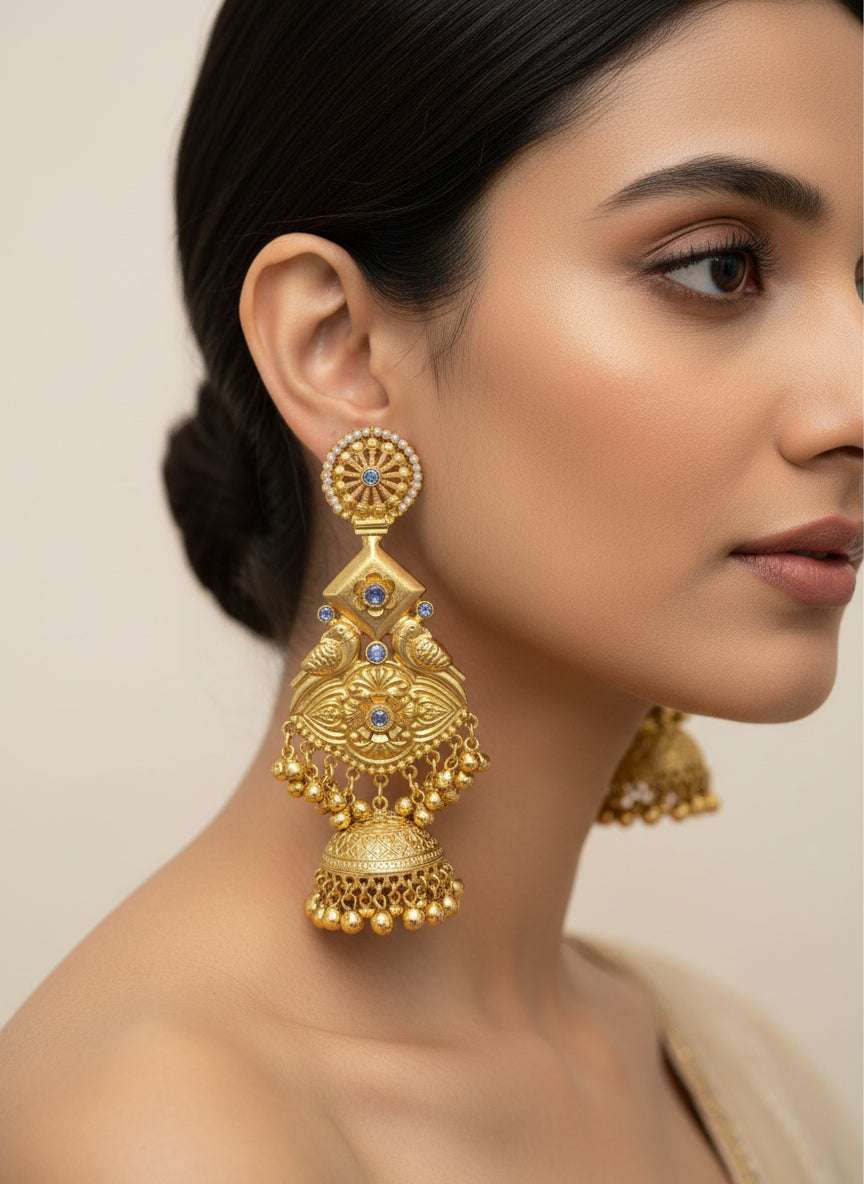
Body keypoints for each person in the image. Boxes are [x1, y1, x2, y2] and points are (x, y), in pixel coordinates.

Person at [0, 0, 860, 1180]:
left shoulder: (722, 1058)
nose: (850, 402)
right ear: (340, 349)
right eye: (721, 268)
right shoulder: (154, 1134)